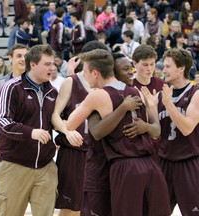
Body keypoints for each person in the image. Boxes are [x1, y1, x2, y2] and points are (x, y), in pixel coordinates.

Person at [65, 49, 171, 216]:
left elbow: (70, 125)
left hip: (124, 166)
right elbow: (156, 132)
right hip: (150, 164)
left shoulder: (98, 95)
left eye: (84, 72)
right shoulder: (135, 91)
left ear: (95, 72)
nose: (83, 76)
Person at [0, 45, 58, 216]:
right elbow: (2, 120)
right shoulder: (11, 87)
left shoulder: (53, 91)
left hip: (46, 166)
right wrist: (31, 132)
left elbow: (61, 121)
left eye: (53, 64)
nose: (51, 68)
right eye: (47, 64)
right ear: (33, 65)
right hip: (15, 165)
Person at [51, 41, 110, 216]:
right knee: (70, 209)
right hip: (73, 153)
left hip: (99, 154)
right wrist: (67, 131)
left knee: (97, 207)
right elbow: (55, 116)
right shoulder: (71, 82)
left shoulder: (107, 85)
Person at [142, 48, 199, 216]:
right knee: (156, 211)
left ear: (181, 68)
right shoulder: (161, 96)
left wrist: (169, 105)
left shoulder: (195, 94)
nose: (163, 70)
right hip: (164, 161)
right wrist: (152, 109)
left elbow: (187, 128)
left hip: (189, 162)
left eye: (167, 66)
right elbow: (156, 134)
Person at [0, 43, 28, 161]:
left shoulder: (37, 82)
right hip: (7, 142)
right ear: (10, 58)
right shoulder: (2, 82)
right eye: (19, 56)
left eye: (25, 56)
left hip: (29, 140)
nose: (23, 59)